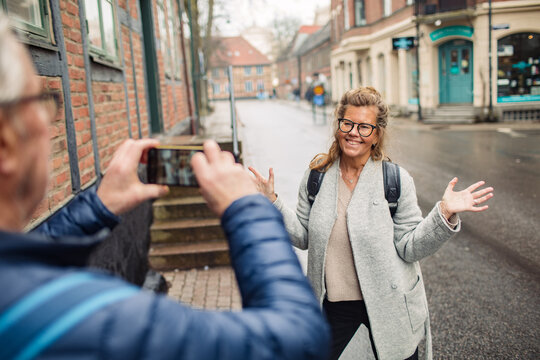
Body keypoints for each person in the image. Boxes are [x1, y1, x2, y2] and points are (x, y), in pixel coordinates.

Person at [0, 16, 330, 359]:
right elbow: (298, 341)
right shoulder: (89, 318)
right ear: (6, 142)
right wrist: (247, 207)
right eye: (39, 103)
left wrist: (96, 207)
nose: (48, 121)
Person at [249, 86, 494, 360]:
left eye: (365, 127)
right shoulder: (316, 176)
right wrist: (272, 202)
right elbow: (304, 237)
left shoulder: (395, 181)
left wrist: (444, 213)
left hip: (388, 305)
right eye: (348, 123)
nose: (354, 132)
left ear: (376, 135)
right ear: (338, 126)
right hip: (332, 309)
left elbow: (410, 247)